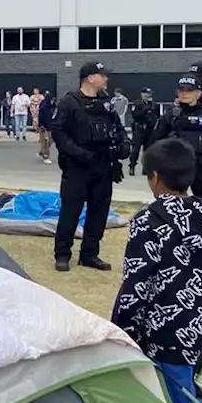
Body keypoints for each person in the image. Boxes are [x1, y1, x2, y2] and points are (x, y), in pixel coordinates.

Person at [113, 138, 202, 403]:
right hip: (201, 325)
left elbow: (136, 285)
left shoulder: (147, 222)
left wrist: (121, 330)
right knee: (184, 388)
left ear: (154, 177)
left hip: (163, 330)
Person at [49, 61, 129, 272]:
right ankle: (62, 254)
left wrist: (124, 145)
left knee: (99, 212)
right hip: (78, 166)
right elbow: (58, 132)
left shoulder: (106, 102)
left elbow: (117, 127)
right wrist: (79, 153)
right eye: (102, 75)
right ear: (90, 77)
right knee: (70, 211)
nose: (106, 79)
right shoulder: (70, 102)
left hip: (103, 165)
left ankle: (89, 254)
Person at [148, 76, 202, 204]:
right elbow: (154, 143)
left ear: (198, 93)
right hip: (177, 170)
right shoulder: (171, 116)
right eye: (181, 90)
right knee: (173, 207)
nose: (184, 93)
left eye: (189, 90)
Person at [128, 87, 159, 176]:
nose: (148, 96)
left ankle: (146, 168)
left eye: (149, 94)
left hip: (149, 130)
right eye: (146, 94)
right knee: (135, 149)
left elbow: (156, 116)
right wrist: (146, 108)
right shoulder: (137, 103)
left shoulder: (153, 104)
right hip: (139, 129)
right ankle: (132, 166)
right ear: (142, 94)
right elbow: (136, 115)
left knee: (148, 150)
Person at [36, 89, 55, 164]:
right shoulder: (43, 106)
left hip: (50, 126)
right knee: (45, 142)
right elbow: (40, 117)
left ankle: (41, 152)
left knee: (50, 141)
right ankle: (46, 157)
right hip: (43, 127)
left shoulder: (50, 107)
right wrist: (41, 125)